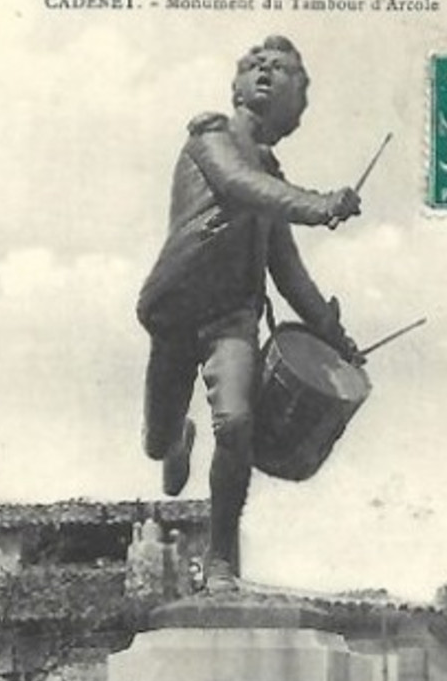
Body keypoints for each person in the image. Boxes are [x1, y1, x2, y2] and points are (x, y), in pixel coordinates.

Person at [137, 35, 362, 593]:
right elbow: (242, 187)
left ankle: (221, 561)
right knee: (156, 440)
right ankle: (174, 442)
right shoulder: (210, 138)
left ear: (295, 107)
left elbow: (288, 272)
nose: (265, 72)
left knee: (237, 425)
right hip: (176, 312)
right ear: (235, 86)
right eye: (256, 65)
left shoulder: (272, 183)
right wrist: (320, 206)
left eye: (281, 69)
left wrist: (336, 337)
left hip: (232, 319)